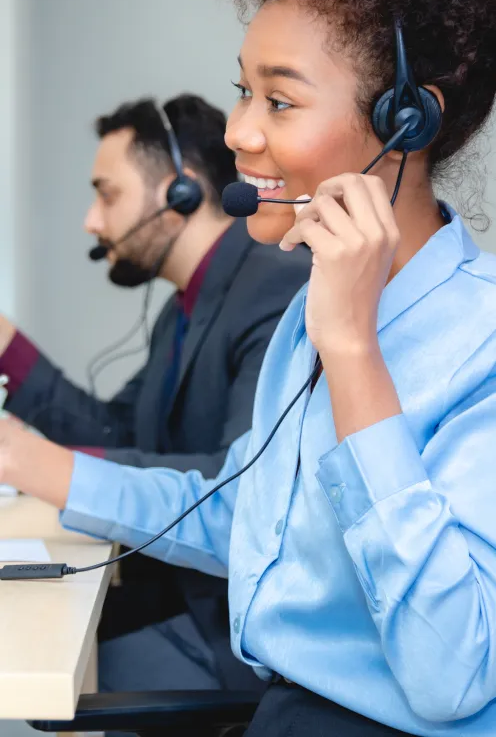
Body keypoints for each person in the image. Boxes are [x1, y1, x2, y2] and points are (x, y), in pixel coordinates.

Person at [3, 0, 496, 733]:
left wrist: (356, 359)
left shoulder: (490, 343)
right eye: (243, 91)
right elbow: (239, 509)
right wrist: (38, 465)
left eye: (278, 101)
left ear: (404, 123)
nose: (238, 132)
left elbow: (452, 670)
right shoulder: (304, 320)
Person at [0, 93, 311, 694]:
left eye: (107, 193)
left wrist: (49, 467)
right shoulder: (184, 309)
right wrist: (7, 346)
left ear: (181, 193)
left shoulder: (274, 288)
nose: (93, 220)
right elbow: (115, 434)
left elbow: (233, 484)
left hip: (231, 631)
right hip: (174, 592)